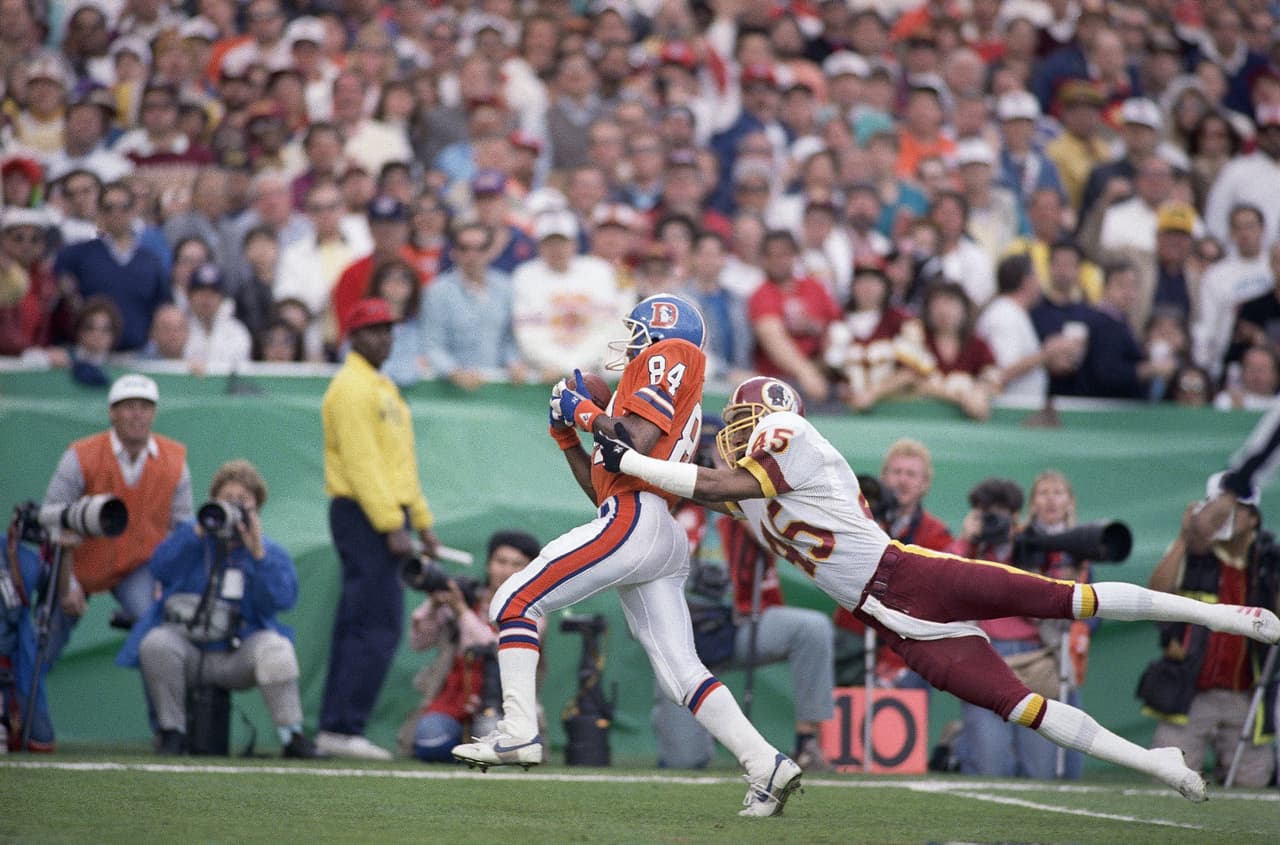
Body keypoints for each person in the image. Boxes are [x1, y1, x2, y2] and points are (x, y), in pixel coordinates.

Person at [595, 374, 1280, 802]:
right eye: (737, 428)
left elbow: (712, 482)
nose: (737, 438)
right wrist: (604, 438)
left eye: (747, 426)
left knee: (1070, 598)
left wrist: (635, 459)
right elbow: (690, 485)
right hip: (887, 617)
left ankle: (1230, 616)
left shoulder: (789, 437)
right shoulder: (741, 487)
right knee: (1019, 705)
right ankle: (1154, 762)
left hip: (915, 574)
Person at [452, 294, 803, 818]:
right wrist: (567, 437)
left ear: (661, 332)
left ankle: (519, 729)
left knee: (514, 600)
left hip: (639, 518)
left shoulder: (674, 355)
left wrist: (586, 411)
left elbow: (633, 439)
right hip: (646, 524)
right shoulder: (641, 388)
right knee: (682, 671)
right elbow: (605, 489)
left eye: (639, 331)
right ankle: (765, 762)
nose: (632, 342)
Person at [652, 419, 836, 773]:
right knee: (684, 761)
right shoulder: (668, 501)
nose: (708, 460)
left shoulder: (751, 498)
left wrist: (732, 487)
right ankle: (671, 719)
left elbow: (776, 542)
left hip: (737, 622)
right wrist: (684, 479)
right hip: (679, 634)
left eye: (719, 453)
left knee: (812, 629)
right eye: (702, 452)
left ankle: (807, 742)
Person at [117, 460, 320, 758]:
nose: (234, 508)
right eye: (227, 500)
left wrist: (258, 555)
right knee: (155, 644)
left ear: (257, 508)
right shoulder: (193, 538)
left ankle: (292, 737)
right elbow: (160, 567)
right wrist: (199, 530)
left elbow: (283, 600)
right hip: (190, 649)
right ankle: (172, 733)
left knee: (277, 649)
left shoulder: (269, 551)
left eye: (243, 502)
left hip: (237, 653)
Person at [317, 298, 442, 760]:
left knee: (368, 622)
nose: (385, 338)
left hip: (383, 513)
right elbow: (363, 463)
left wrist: (422, 521)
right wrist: (392, 524)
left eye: (389, 330)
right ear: (352, 336)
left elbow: (398, 463)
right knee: (371, 624)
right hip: (364, 513)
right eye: (374, 330)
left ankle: (339, 726)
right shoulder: (351, 387)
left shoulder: (379, 384)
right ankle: (341, 727)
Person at [43, 374, 194, 662]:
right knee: (42, 644)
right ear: (112, 413)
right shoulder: (81, 455)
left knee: (158, 636)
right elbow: (50, 515)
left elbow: (181, 529)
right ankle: (20, 707)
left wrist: (167, 577)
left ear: (154, 413)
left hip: (139, 566)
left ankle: (164, 709)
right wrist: (68, 581)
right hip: (78, 564)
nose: (137, 415)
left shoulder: (174, 461)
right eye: (128, 406)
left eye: (145, 407)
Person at [1143, 474, 1277, 788]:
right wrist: (1184, 538)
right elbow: (1156, 594)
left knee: (1253, 784)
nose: (1222, 516)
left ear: (1253, 517)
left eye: (1233, 508)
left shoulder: (1265, 561)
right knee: (1166, 779)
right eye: (1215, 507)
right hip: (1190, 694)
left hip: (1245, 695)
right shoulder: (1192, 554)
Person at [404, 530, 542, 762]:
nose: (507, 571)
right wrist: (433, 605)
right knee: (430, 741)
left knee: (495, 738)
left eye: (517, 564)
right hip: (453, 700)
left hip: (501, 706)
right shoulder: (469, 598)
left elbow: (498, 649)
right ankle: (465, 751)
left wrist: (461, 612)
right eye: (501, 562)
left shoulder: (534, 609)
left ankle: (472, 751)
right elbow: (418, 642)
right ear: (488, 564)